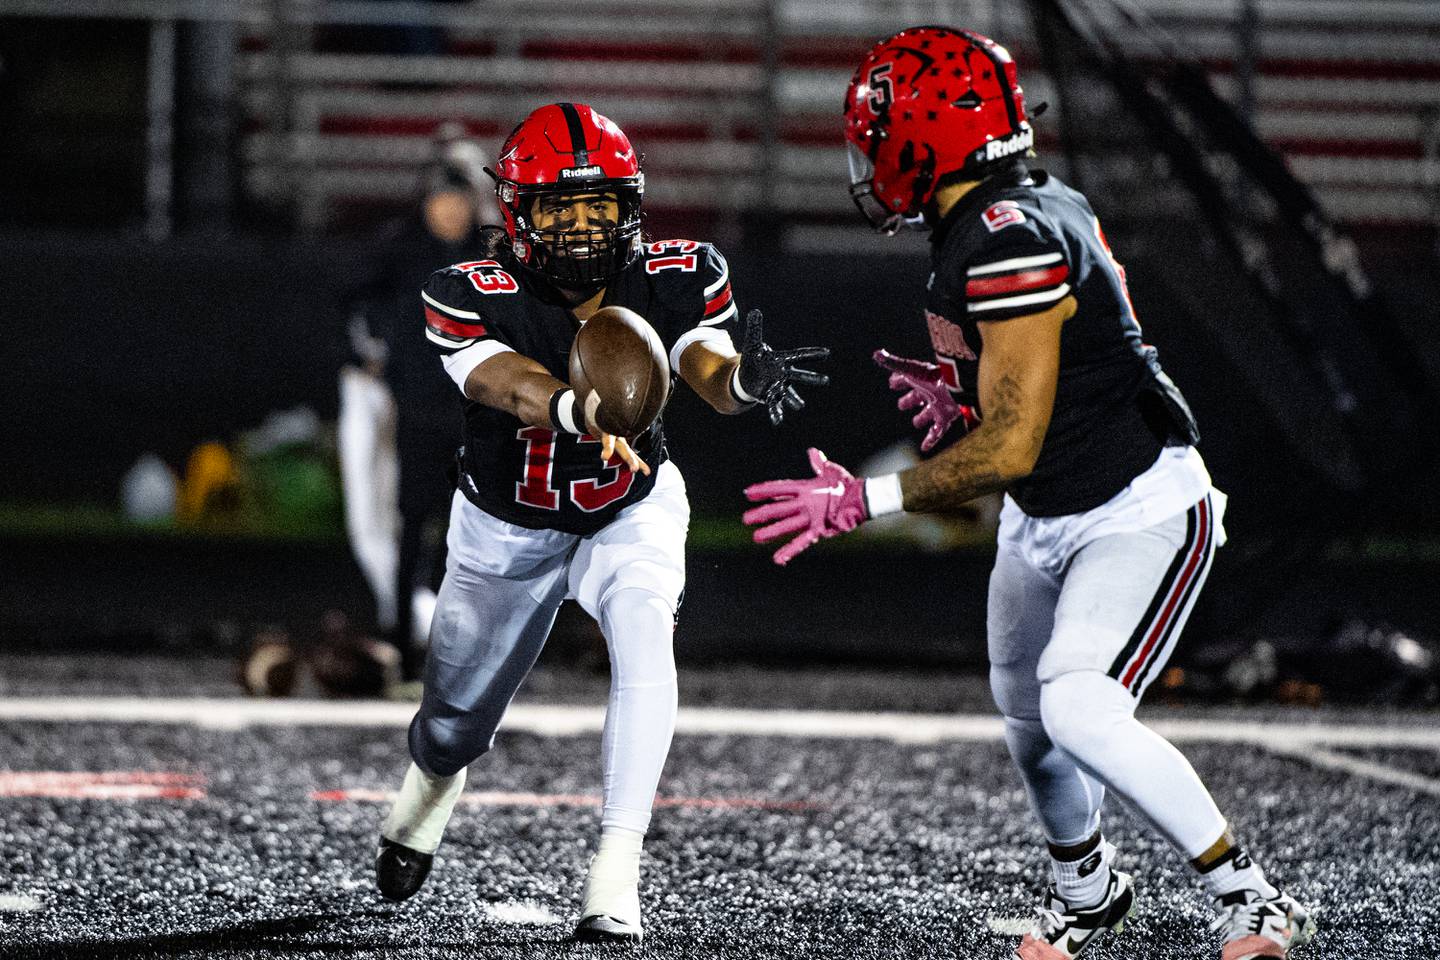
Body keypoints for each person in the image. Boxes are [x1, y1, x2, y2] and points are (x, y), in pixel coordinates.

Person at [742, 27, 1314, 960]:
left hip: (1136, 506)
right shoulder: (998, 215)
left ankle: (1252, 898)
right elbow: (1025, 398)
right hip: (1048, 510)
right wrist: (956, 393)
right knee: (1025, 713)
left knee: (1077, 706)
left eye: (882, 134)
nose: (872, 156)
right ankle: (1087, 893)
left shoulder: (1008, 233)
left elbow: (1011, 444)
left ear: (931, 135)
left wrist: (866, 501)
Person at [373, 102, 828, 943]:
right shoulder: (469, 290)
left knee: (645, 637)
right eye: (561, 208)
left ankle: (616, 870)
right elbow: (504, 384)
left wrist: (741, 385)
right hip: (505, 525)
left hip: (631, 504)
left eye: (600, 206)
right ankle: (430, 790)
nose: (584, 228)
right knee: (451, 725)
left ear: (633, 205)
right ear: (517, 212)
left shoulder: (678, 270)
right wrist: (583, 411)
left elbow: (703, 364)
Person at [338, 131, 497, 681]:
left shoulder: (491, 255)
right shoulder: (402, 250)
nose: (449, 213)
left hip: (477, 417)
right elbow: (352, 302)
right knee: (408, 521)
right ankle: (405, 639)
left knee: (476, 530)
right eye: (441, 201)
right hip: (416, 410)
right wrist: (369, 353)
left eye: (460, 201)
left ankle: (467, 647)